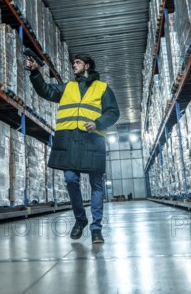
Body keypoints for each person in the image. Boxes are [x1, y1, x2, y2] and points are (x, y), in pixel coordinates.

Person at [26, 53, 120, 244]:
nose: (73, 66)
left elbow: (113, 112)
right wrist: (36, 72)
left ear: (87, 65)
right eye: (73, 63)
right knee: (70, 178)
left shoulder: (102, 88)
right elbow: (46, 91)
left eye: (77, 63)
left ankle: (96, 229)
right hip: (69, 140)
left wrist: (98, 123)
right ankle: (80, 219)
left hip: (93, 139)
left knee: (96, 185)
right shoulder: (68, 87)